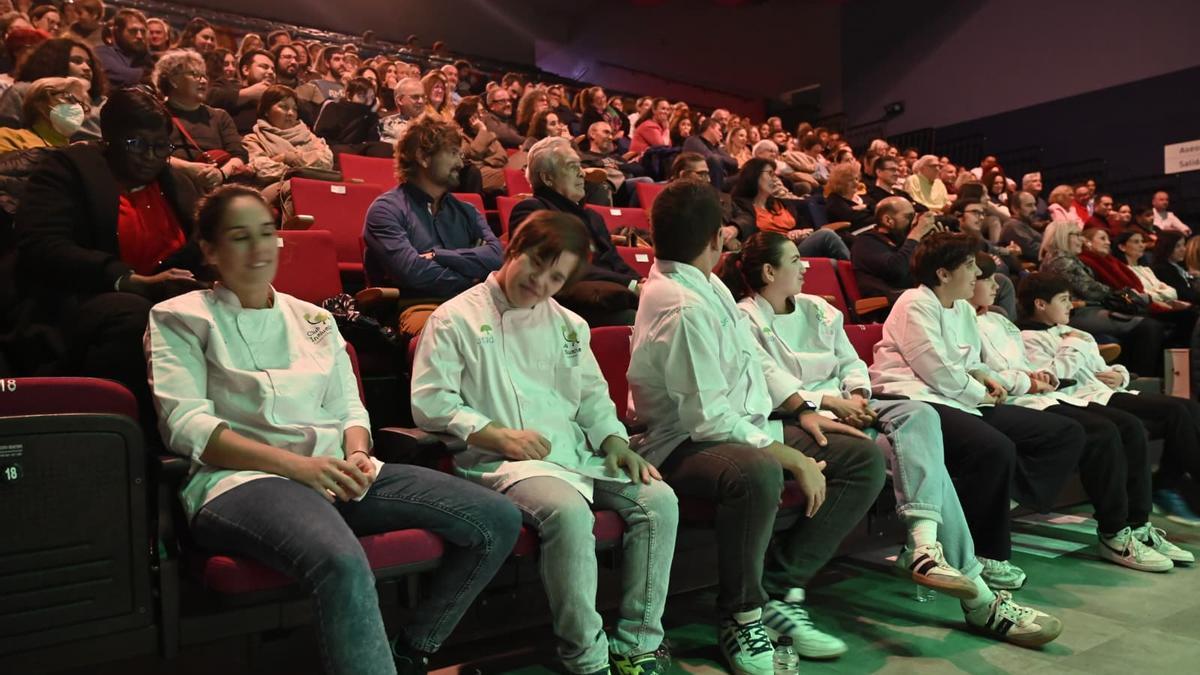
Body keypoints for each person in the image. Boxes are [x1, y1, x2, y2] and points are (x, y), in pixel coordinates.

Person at [147, 184, 522, 675]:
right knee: (341, 560)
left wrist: (358, 452)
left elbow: (348, 405)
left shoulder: (315, 318)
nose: (260, 248)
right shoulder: (180, 317)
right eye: (240, 237)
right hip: (243, 481)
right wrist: (300, 467)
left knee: (497, 519)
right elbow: (186, 425)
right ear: (211, 251)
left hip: (338, 469)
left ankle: (411, 649)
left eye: (267, 233)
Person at [722, 232, 1062, 646]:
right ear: (769, 271)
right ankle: (978, 597)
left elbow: (850, 361)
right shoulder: (744, 317)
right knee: (926, 465)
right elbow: (764, 376)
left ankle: (923, 548)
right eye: (796, 259)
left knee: (919, 415)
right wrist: (825, 401)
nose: (807, 265)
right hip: (800, 415)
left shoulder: (818, 310)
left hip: (851, 406)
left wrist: (858, 394)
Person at [625, 180, 885, 671]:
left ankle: (780, 589)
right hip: (679, 444)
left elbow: (749, 371)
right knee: (757, 471)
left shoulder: (707, 283)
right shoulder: (682, 303)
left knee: (859, 457)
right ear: (717, 239)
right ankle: (742, 613)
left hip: (738, 427)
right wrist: (783, 452)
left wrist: (804, 413)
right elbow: (705, 419)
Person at [410, 209, 677, 675]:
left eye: (557, 277)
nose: (541, 283)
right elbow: (431, 402)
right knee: (570, 513)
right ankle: (587, 656)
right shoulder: (456, 318)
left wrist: (614, 440)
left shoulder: (569, 325)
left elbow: (591, 396)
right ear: (514, 249)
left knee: (659, 500)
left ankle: (639, 643)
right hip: (498, 461)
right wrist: (494, 433)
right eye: (537, 264)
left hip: (571, 452)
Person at [869, 232, 1089, 592]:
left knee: (1063, 433)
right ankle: (987, 552)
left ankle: (993, 506)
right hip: (915, 399)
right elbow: (935, 368)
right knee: (993, 447)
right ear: (943, 273)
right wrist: (981, 393)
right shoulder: (914, 302)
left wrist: (989, 379)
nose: (977, 274)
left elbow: (970, 362)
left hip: (958, 398)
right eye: (969, 265)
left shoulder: (962, 310)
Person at [971, 255, 1186, 571]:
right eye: (985, 279)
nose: (996, 285)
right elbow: (990, 371)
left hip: (1042, 393)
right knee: (1104, 431)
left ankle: (1138, 525)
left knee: (1129, 426)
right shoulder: (969, 321)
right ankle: (1113, 533)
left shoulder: (1001, 321)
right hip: (1018, 400)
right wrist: (1044, 371)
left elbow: (1039, 369)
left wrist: (1045, 374)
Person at [13, 87, 206, 421]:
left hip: (169, 298)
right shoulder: (68, 169)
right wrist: (128, 280)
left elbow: (199, 248)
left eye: (161, 146)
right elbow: (42, 245)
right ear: (109, 139)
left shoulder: (176, 184)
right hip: (84, 297)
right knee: (135, 315)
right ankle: (124, 431)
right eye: (137, 144)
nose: (150, 156)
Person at [1018, 272, 1200, 530]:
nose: (1071, 305)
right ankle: (1170, 488)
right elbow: (1056, 377)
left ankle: (1167, 483)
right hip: (1084, 399)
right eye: (1064, 300)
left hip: (1106, 391)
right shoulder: (1027, 338)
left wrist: (1119, 376)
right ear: (1040, 304)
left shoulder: (1072, 332)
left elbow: (1104, 367)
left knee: (1187, 407)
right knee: (1174, 414)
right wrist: (1073, 345)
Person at [362, 115, 502, 336]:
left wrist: (439, 256)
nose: (460, 163)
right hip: (420, 307)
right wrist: (474, 276)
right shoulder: (386, 210)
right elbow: (414, 273)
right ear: (423, 157)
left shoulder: (467, 211)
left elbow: (496, 258)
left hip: (475, 305)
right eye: (453, 153)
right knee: (462, 333)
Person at [509, 137, 641, 326]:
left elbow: (614, 262)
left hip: (610, 298)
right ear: (547, 178)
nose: (581, 174)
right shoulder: (532, 211)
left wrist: (641, 281)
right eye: (572, 167)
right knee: (639, 319)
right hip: (565, 306)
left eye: (579, 166)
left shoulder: (592, 216)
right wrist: (630, 284)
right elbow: (560, 266)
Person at [1039, 220, 1166, 377]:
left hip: (1086, 309)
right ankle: (1142, 378)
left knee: (1147, 323)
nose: (1082, 240)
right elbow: (1091, 289)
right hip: (1075, 313)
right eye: (1077, 235)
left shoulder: (1066, 259)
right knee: (1148, 326)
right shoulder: (1060, 261)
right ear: (1064, 236)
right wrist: (1120, 295)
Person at [155, 49, 253, 193]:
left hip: (219, 185)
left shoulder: (219, 116)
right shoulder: (157, 114)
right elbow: (153, 155)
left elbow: (239, 154)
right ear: (173, 80)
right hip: (174, 185)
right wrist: (188, 168)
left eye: (204, 76)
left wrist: (221, 173)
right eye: (194, 75)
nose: (203, 81)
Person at [728, 157, 849, 261]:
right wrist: (786, 237)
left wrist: (801, 233)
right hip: (774, 253)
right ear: (754, 175)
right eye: (770, 173)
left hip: (797, 246)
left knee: (845, 238)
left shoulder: (781, 204)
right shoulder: (739, 206)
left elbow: (805, 228)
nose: (775, 179)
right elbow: (749, 239)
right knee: (826, 235)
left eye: (775, 174)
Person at [241, 84, 333, 207]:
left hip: (310, 183)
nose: (290, 113)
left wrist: (287, 158)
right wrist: (307, 162)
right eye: (283, 107)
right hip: (270, 189)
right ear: (266, 111)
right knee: (296, 187)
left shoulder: (308, 135)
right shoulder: (254, 138)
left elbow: (326, 160)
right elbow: (263, 170)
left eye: (294, 109)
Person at [0, 37, 107, 140]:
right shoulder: (23, 92)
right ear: (55, 62)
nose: (87, 68)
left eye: (89, 63)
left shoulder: (101, 103)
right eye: (76, 61)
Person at [851, 196, 943, 302]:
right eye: (909, 217)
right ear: (888, 220)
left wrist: (939, 244)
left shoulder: (905, 242)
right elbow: (898, 270)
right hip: (890, 305)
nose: (914, 222)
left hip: (918, 298)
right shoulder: (865, 243)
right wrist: (916, 233)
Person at [950, 198, 1018, 317]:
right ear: (958, 215)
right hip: (966, 291)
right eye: (975, 213)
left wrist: (1007, 252)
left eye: (982, 214)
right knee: (1003, 282)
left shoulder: (980, 241)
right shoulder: (950, 241)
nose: (981, 217)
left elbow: (998, 252)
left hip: (984, 287)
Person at [0, 76, 88, 152]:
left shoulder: (79, 151)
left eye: (82, 105)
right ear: (40, 103)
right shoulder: (8, 137)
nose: (78, 108)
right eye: (70, 98)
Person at [577, 120, 651, 208]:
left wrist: (618, 166)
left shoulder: (616, 157)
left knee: (654, 184)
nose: (611, 137)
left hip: (624, 189)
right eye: (606, 132)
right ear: (593, 134)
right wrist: (603, 165)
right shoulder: (584, 156)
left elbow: (639, 169)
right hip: (603, 189)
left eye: (611, 134)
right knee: (645, 181)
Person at [94, 8, 151, 88]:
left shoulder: (148, 57)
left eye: (143, 31)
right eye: (133, 31)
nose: (140, 36)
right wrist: (149, 75)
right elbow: (118, 73)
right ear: (118, 32)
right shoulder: (102, 52)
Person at [295, 46, 347, 125]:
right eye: (337, 59)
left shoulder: (348, 88)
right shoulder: (315, 84)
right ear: (327, 63)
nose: (342, 63)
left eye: (344, 60)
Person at [682, 117, 737, 190]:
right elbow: (710, 158)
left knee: (750, 170)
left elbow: (734, 163)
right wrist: (722, 159)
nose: (721, 135)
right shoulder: (693, 140)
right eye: (719, 130)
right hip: (698, 181)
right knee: (715, 159)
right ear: (710, 128)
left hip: (719, 181)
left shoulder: (716, 147)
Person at [1151, 231, 1199, 304]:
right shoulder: (1162, 270)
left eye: (1183, 245)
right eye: (1177, 246)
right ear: (1166, 247)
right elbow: (1184, 295)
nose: (1183, 249)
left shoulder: (1178, 267)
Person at [824, 161, 873, 231]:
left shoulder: (861, 196)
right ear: (839, 184)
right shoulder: (834, 200)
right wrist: (868, 210)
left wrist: (865, 207)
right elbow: (850, 218)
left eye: (856, 179)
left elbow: (876, 208)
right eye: (850, 180)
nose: (856, 182)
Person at [998, 190, 1044, 262]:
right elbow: (1034, 251)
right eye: (1029, 205)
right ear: (1015, 209)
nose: (1035, 209)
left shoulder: (1027, 224)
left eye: (1034, 204)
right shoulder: (1012, 226)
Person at [377, 77, 423, 145]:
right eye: (415, 97)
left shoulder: (434, 125)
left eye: (423, 97)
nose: (421, 101)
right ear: (400, 100)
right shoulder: (384, 125)